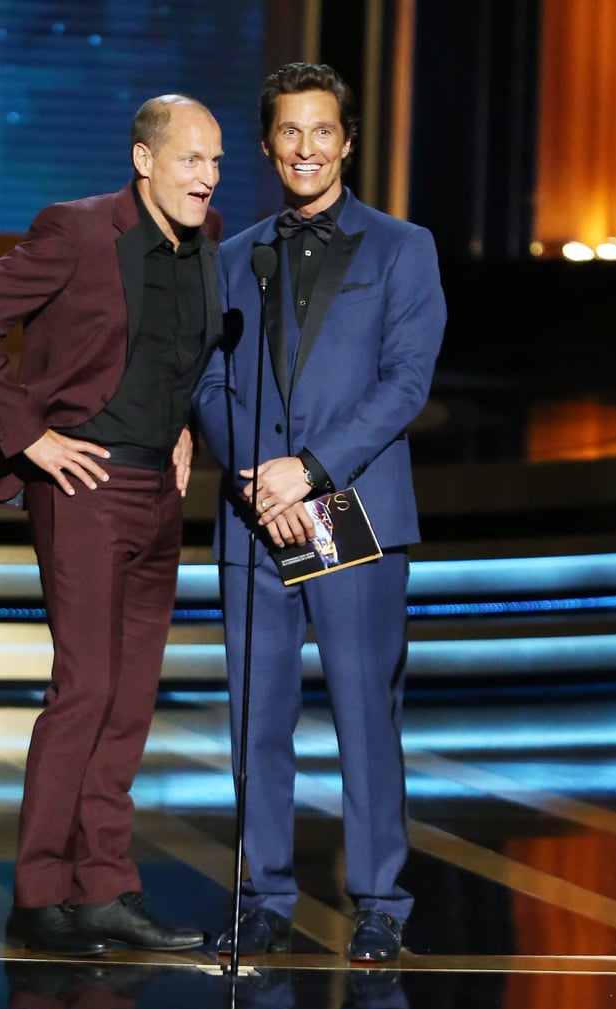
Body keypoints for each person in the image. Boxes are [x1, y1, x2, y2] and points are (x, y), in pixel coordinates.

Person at [0, 94, 224, 957]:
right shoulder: (77, 231)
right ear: (145, 161)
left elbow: (175, 353)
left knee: (132, 698)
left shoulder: (207, 244)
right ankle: (39, 894)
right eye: (190, 160)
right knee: (87, 689)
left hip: (157, 493)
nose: (207, 178)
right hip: (84, 484)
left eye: (216, 163)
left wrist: (179, 424)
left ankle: (103, 889)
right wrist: (30, 436)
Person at [192, 62, 446, 961]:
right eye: (288, 133)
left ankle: (379, 901)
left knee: (362, 717)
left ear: (347, 141)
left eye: (322, 131)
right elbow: (210, 379)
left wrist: (308, 473)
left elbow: (406, 382)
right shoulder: (233, 254)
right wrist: (262, 481)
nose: (306, 148)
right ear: (268, 145)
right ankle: (261, 895)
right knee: (254, 721)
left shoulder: (402, 247)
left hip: (352, 513)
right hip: (255, 520)